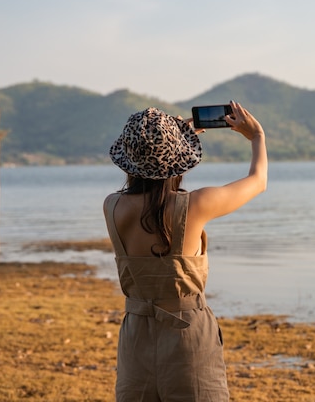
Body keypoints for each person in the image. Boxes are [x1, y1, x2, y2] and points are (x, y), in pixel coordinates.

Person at [103, 101, 267, 401]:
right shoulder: (194, 205)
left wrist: (173, 137)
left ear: (128, 160)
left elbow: (151, 172)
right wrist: (257, 137)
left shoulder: (112, 206)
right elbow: (258, 181)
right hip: (187, 335)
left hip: (136, 334)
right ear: (178, 159)